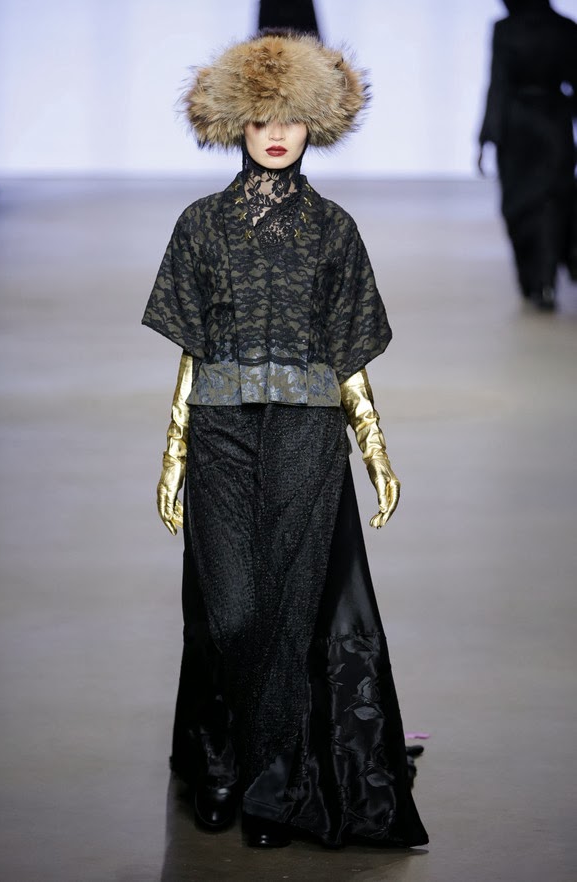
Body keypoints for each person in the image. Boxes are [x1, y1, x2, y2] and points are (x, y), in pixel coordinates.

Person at [142, 31, 428, 850]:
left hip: (308, 430)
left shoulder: (334, 230)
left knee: (292, 610)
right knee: (231, 610)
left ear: (315, 125)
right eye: (261, 117)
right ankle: (221, 755)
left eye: (292, 118)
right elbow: (192, 351)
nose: (276, 133)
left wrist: (375, 451)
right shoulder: (200, 225)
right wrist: (172, 454)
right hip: (221, 431)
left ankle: (268, 788)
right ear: (234, 121)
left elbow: (347, 355)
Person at [478, 0, 577, 311]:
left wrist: (486, 137)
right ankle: (546, 279)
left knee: (520, 205)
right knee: (551, 200)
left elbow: (498, 83)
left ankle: (534, 281)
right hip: (554, 122)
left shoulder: (506, 29)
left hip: (516, 125)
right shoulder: (565, 29)